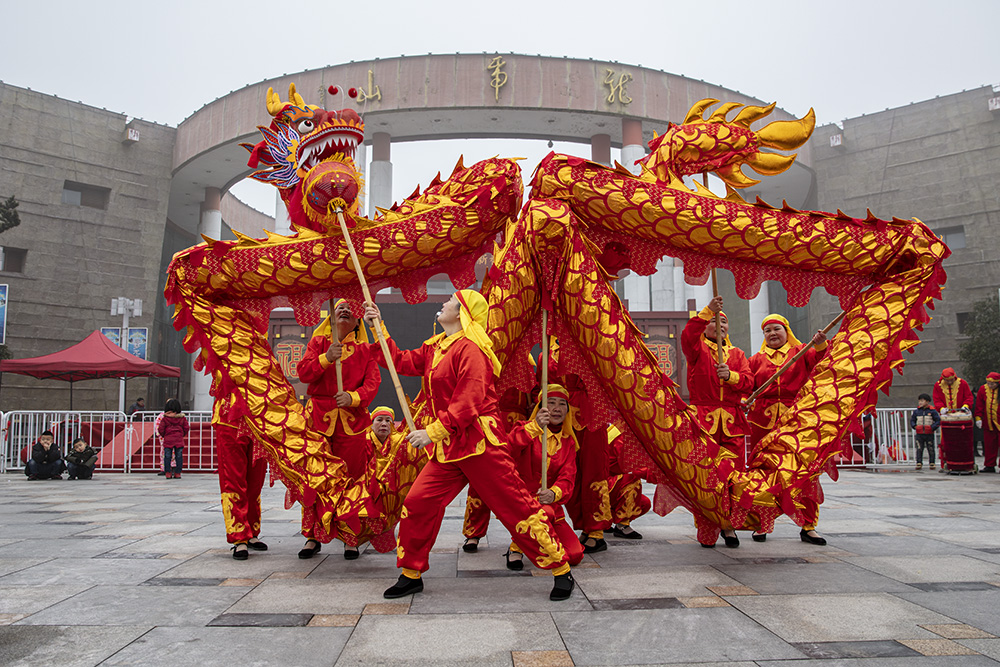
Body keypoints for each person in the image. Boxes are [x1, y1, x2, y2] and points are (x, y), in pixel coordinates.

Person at [364, 291, 576, 602]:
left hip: (480, 444)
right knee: (418, 502)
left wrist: (432, 432)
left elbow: (469, 401)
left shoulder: (472, 350)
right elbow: (401, 361)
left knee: (517, 507)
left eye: (450, 301)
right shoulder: (436, 347)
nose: (444, 304)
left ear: (462, 312)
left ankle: (560, 569)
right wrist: (378, 327)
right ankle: (411, 572)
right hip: (450, 447)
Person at [296, 298, 381, 560]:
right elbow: (303, 373)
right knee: (315, 477)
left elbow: (373, 383)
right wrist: (325, 359)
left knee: (353, 477)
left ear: (357, 322)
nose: (344, 310)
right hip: (319, 420)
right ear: (331, 318)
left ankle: (349, 536)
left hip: (353, 424)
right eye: (339, 308)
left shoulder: (366, 350)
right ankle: (312, 534)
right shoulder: (319, 344)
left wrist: (354, 398)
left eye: (349, 309)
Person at [747, 313, 828, 545]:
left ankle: (808, 525)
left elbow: (823, 360)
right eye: (767, 331)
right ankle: (760, 523)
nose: (772, 334)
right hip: (763, 423)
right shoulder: (755, 360)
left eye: (776, 329)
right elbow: (746, 386)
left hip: (798, 421)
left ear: (786, 331)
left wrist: (821, 343)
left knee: (805, 471)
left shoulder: (802, 352)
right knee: (762, 472)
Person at [681, 295, 753, 547]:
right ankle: (707, 526)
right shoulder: (697, 349)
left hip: (732, 422)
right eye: (714, 322)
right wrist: (707, 311)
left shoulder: (738, 354)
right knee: (706, 475)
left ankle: (729, 525)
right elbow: (687, 336)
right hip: (703, 420)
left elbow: (748, 381)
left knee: (734, 474)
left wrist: (731, 376)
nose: (719, 326)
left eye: (723, 323)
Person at [502, 384, 585, 570]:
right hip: (524, 504)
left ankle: (541, 538)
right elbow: (507, 450)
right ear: (540, 408)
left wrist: (554, 493)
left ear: (568, 410)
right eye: (551, 403)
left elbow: (568, 475)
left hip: (552, 508)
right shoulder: (525, 429)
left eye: (562, 404)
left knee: (574, 555)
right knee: (543, 512)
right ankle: (517, 546)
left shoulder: (568, 441)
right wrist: (535, 427)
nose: (556, 408)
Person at [213, 394, 269, 561]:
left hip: (258, 420)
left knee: (256, 480)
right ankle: (239, 536)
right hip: (229, 418)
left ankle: (251, 531)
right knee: (234, 480)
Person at [606, 425, 651, 539]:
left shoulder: (621, 427)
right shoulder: (623, 436)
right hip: (604, 485)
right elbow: (633, 467)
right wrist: (660, 473)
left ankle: (605, 521)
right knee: (632, 478)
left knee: (643, 504)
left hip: (611, 484)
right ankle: (622, 525)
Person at [933, 368, 974, 473]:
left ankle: (964, 463)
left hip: (961, 418)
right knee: (945, 442)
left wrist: (966, 406)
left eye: (951, 380)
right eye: (947, 380)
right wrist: (941, 408)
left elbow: (969, 397)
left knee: (963, 442)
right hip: (947, 418)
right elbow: (936, 399)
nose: (950, 382)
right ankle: (945, 463)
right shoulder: (938, 385)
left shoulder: (962, 383)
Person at [157, 398, 190, 479]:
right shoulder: (182, 418)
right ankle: (177, 472)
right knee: (179, 457)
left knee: (167, 457)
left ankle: (168, 472)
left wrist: (165, 435)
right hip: (179, 440)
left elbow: (160, 429)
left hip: (168, 440)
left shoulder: (165, 418)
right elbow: (186, 427)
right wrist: (181, 434)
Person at [975, 373, 1000, 473]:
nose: (990, 385)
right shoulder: (983, 389)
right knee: (989, 445)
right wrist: (978, 418)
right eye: (988, 383)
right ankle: (989, 465)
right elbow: (979, 404)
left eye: (992, 384)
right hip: (988, 422)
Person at [911, 393, 940, 471]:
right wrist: (915, 426)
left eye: (922, 401)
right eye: (919, 401)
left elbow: (938, 421)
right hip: (919, 433)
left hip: (929, 433)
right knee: (919, 448)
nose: (920, 402)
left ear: (927, 402)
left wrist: (932, 428)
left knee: (930, 448)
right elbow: (912, 420)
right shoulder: (917, 411)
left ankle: (932, 462)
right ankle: (919, 462)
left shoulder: (932, 411)